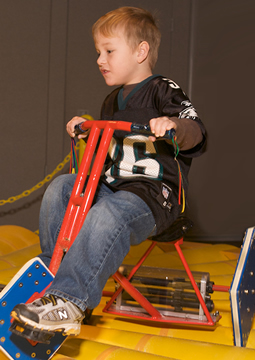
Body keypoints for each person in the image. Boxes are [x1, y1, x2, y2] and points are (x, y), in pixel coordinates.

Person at [11, 6, 206, 339]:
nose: (100, 59)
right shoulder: (112, 100)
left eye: (109, 51)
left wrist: (173, 124)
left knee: (107, 214)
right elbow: (105, 157)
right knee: (62, 187)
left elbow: (197, 131)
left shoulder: (163, 90)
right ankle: (53, 272)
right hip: (114, 187)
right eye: (98, 52)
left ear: (141, 51)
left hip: (153, 198)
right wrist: (88, 131)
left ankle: (69, 301)